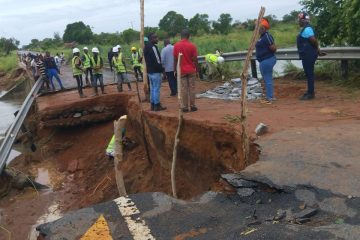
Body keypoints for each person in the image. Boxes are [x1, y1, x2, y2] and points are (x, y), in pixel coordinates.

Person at [297, 12, 321, 100]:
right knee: (308, 73)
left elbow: (313, 40)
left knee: (309, 73)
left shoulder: (307, 29)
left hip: (309, 55)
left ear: (303, 20)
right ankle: (310, 92)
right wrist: (317, 50)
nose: (298, 21)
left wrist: (317, 50)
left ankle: (311, 93)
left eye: (299, 19)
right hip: (307, 54)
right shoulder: (305, 29)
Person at [174, 29, 199, 112]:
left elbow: (175, 59)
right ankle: (192, 106)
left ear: (181, 36)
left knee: (184, 89)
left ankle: (184, 107)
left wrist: (175, 70)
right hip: (191, 70)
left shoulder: (176, 46)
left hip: (181, 70)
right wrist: (197, 70)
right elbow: (195, 59)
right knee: (192, 88)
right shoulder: (192, 46)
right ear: (189, 36)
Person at [255, 18, 277, 104]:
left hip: (267, 59)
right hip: (264, 60)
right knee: (267, 79)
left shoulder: (267, 36)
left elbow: (273, 48)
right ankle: (269, 96)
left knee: (267, 79)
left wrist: (265, 53)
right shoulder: (261, 37)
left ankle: (270, 98)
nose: (258, 30)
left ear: (263, 28)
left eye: (259, 27)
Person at [144, 33, 166, 111]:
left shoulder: (145, 47)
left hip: (150, 71)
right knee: (156, 88)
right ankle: (157, 105)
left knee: (153, 88)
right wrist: (162, 70)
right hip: (156, 71)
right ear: (151, 39)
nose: (157, 39)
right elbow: (157, 60)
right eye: (155, 38)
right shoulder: (153, 47)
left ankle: (153, 105)